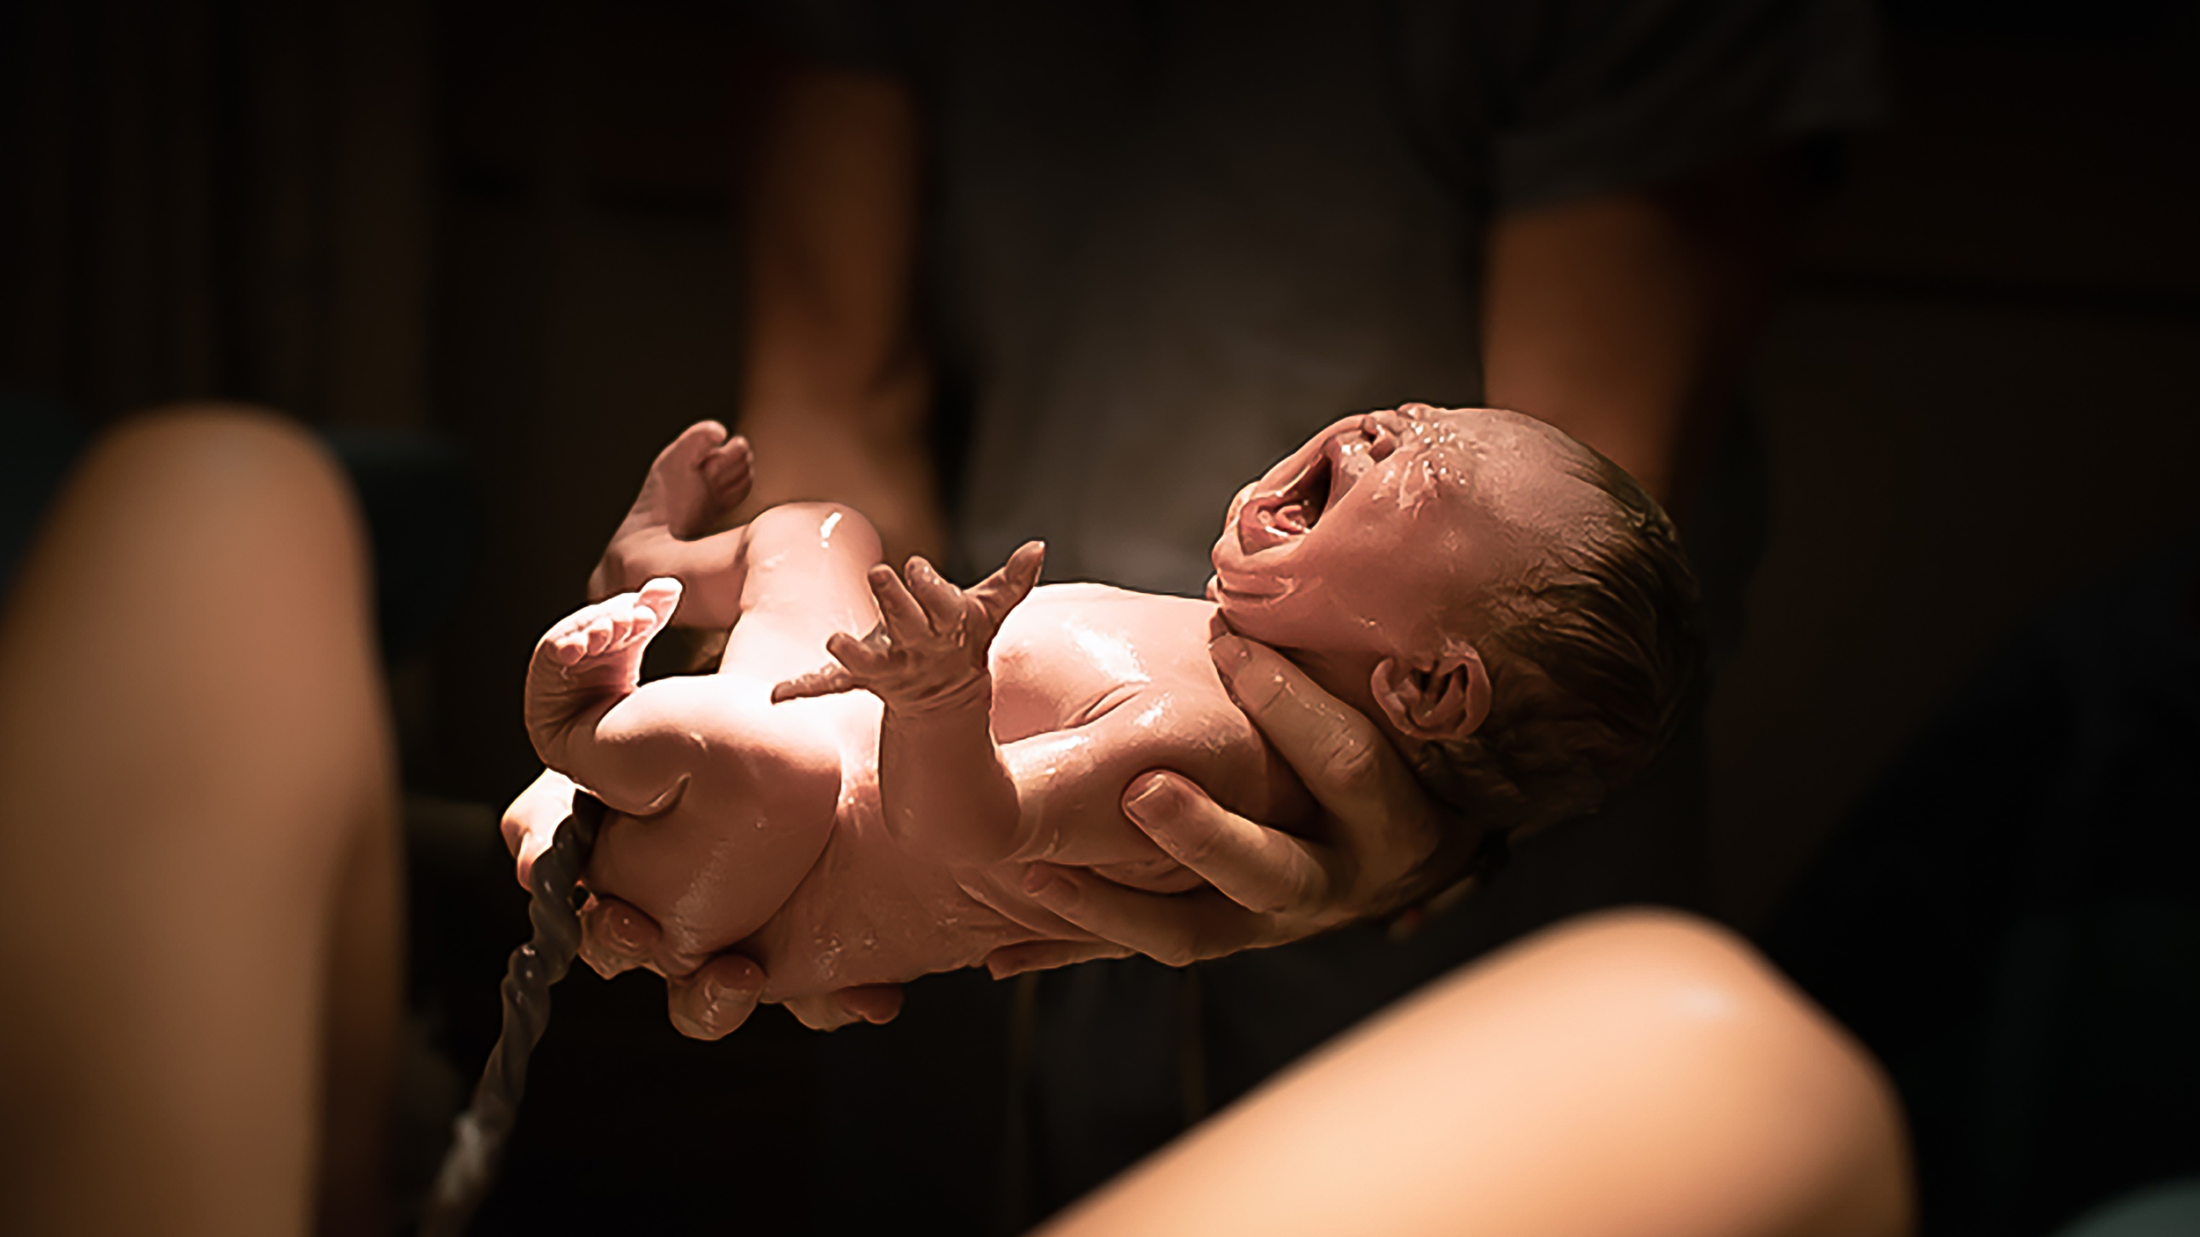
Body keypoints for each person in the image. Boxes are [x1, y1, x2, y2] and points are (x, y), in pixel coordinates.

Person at [720, 3, 1885, 1219]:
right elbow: (830, 403)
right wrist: (784, 711)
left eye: (1417, 445)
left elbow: (1572, 531)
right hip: (977, 873)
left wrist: (1408, 847)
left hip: (1449, 919)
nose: (1389, 425)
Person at [503, 405, 1699, 1032]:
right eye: (1429, 406)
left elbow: (962, 835)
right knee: (818, 530)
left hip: (765, 859)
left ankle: (578, 732)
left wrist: (940, 701)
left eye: (1435, 470)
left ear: (1428, 688)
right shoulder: (1236, 653)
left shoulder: (1209, 749)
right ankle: (647, 564)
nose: (1391, 426)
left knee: (756, 756)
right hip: (806, 730)